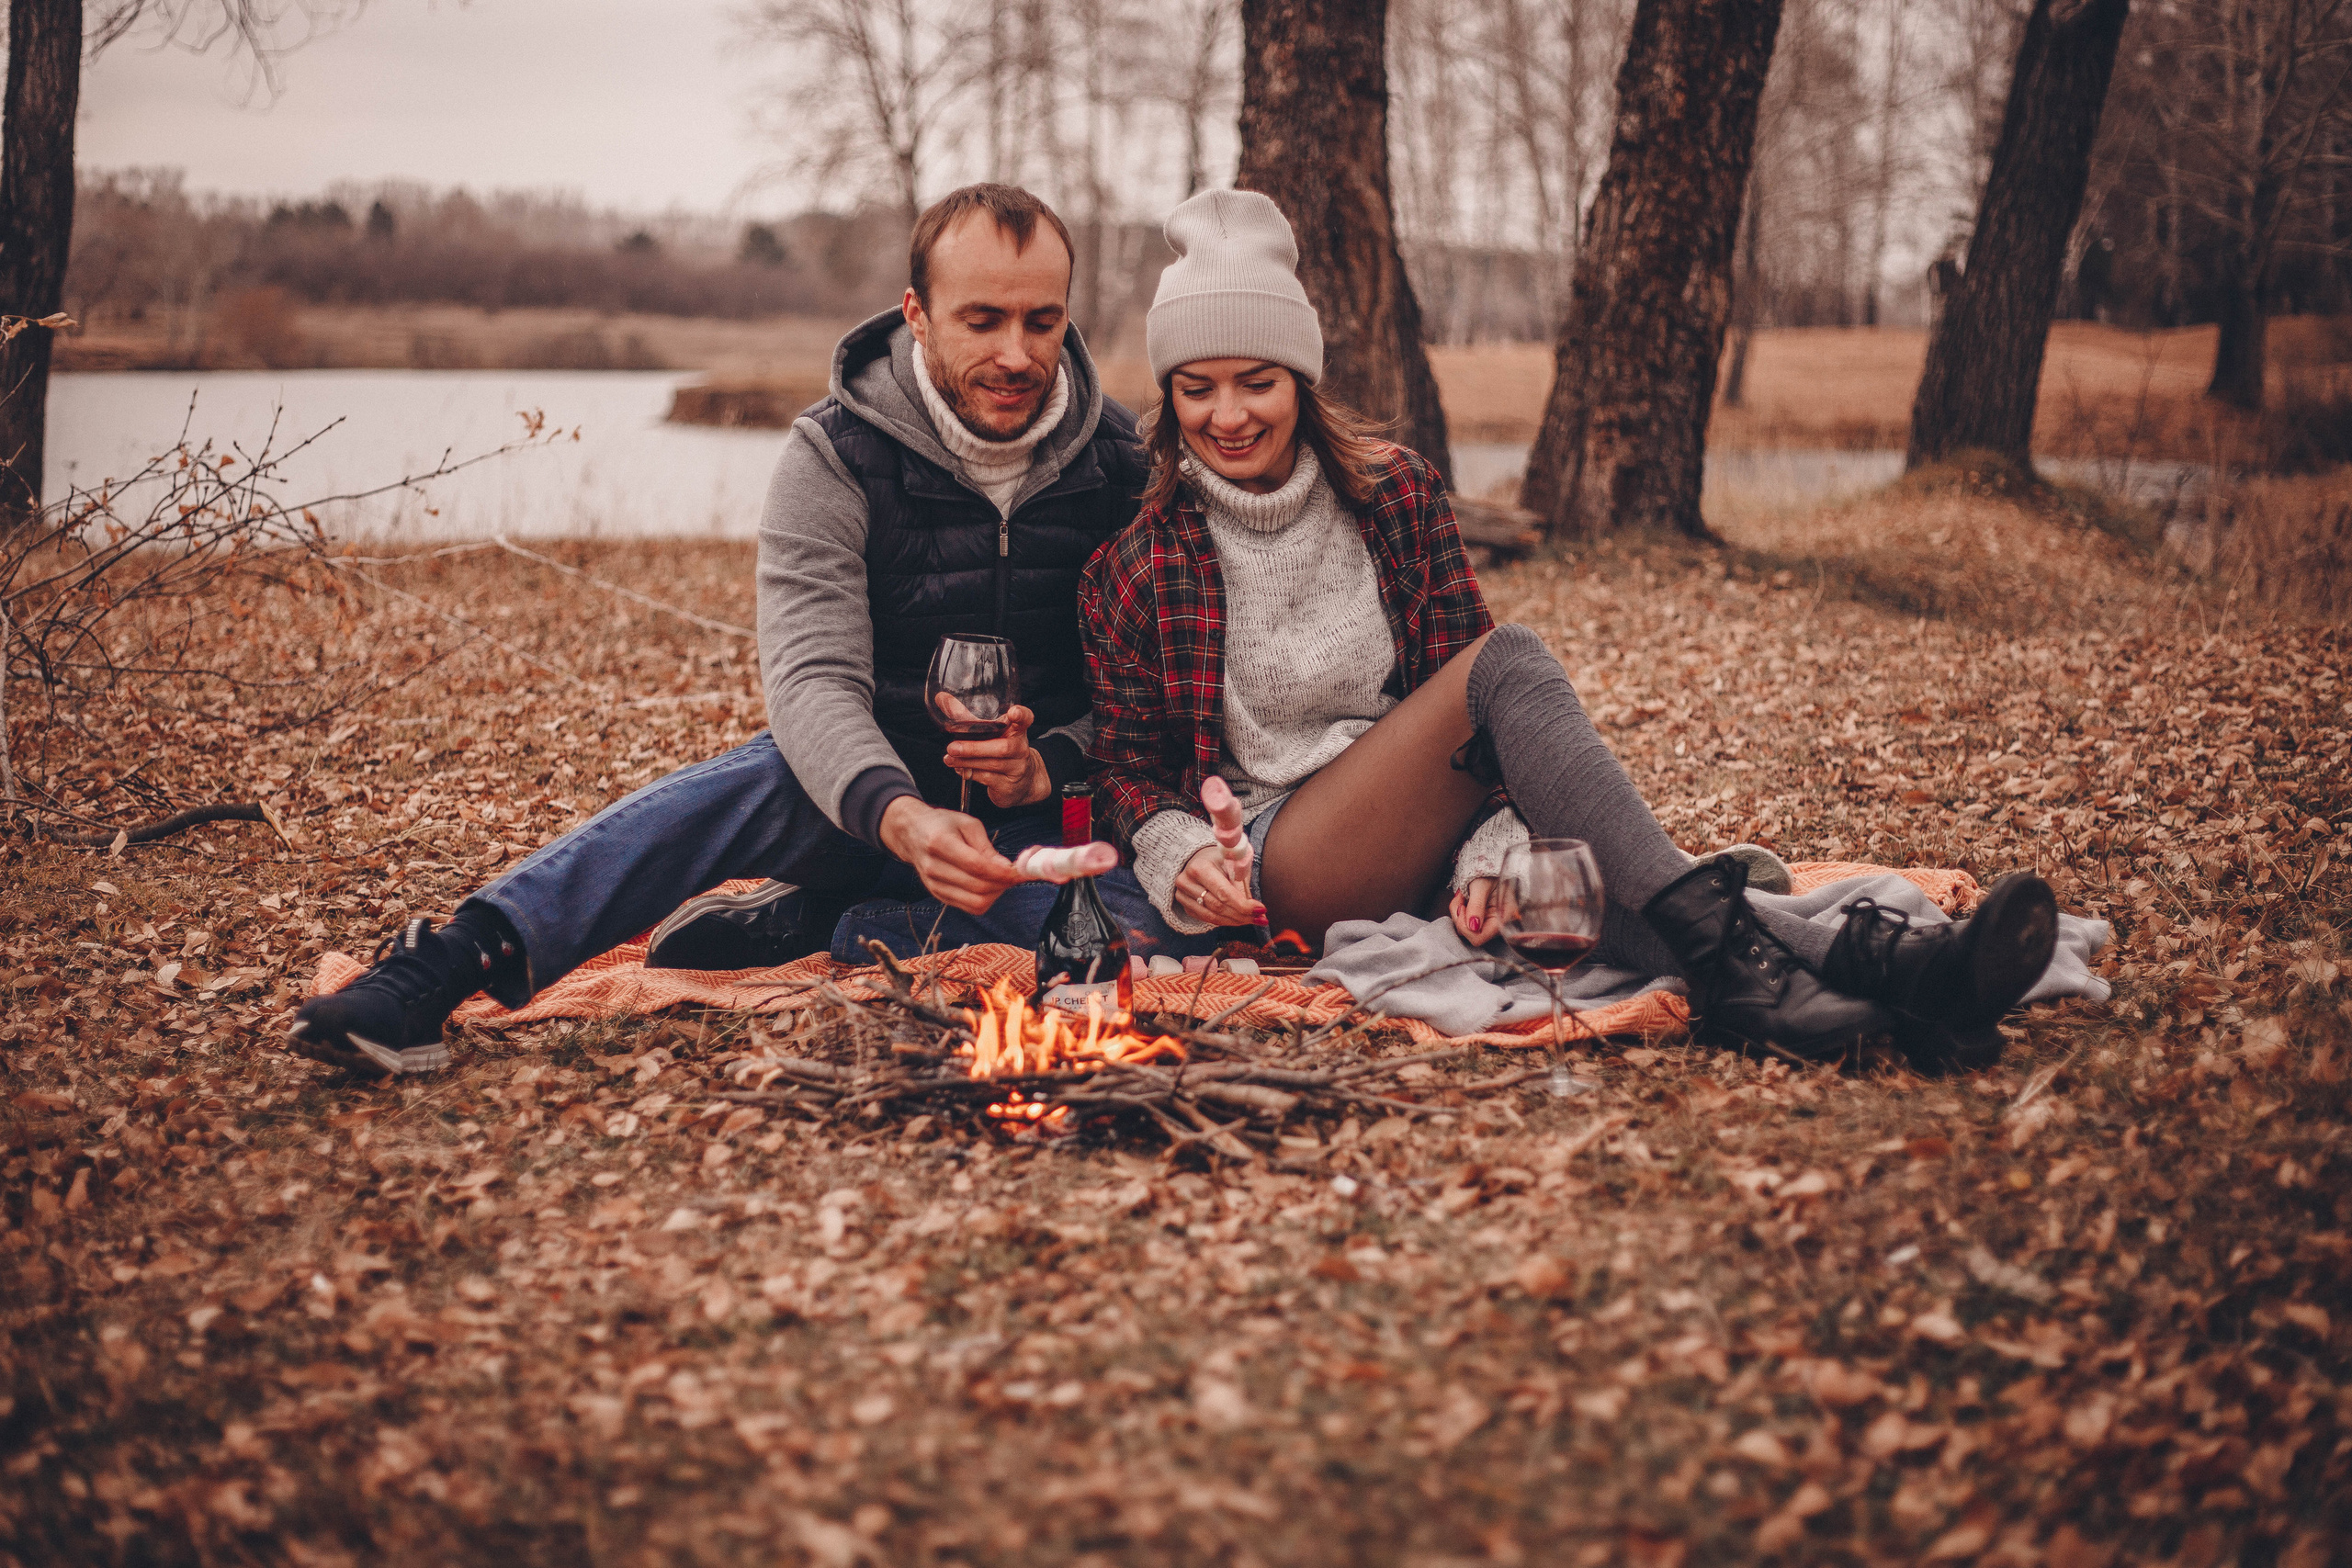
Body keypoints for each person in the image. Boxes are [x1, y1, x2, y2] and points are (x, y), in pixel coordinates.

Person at [1079, 189, 2061, 1067]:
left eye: (1257, 379)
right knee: (1507, 663)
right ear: (1166, 396)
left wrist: (1491, 854)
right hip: (1287, 860)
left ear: (1301, 377)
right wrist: (1175, 854)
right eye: (1195, 386)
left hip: (1422, 838)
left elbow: (1475, 741)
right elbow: (1123, 771)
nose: (1227, 414)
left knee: (1596, 882)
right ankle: (1847, 958)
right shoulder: (1136, 565)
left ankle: (1889, 981)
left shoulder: (1391, 496)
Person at [288, 184, 1217, 1077]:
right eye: (982, 320)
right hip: (858, 801)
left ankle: (848, 927)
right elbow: (811, 681)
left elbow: (1146, 698)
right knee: (743, 785)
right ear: (917, 313)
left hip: (1037, 829)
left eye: (1041, 321)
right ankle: (444, 965)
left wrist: (1048, 761)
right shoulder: (833, 454)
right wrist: (900, 818)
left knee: (1146, 928)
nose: (1016, 353)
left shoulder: (1120, 462)